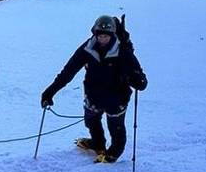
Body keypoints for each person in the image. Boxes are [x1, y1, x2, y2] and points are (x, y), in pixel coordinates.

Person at [41, 15, 147, 163]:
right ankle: (98, 144)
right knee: (91, 121)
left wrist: (136, 80)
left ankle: (113, 153)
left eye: (106, 36)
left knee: (115, 127)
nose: (102, 39)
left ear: (112, 35)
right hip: (93, 95)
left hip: (116, 98)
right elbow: (68, 71)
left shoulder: (122, 50)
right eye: (100, 36)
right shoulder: (88, 48)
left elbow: (141, 81)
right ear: (95, 34)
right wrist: (50, 91)